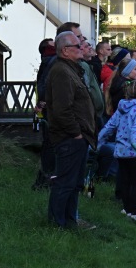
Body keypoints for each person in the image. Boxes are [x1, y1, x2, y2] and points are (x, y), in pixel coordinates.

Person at [46, 31, 96, 229]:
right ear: (65, 50)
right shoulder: (61, 71)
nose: (82, 47)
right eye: (78, 45)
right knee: (65, 182)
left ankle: (70, 221)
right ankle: (57, 223)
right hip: (69, 138)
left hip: (78, 137)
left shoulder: (72, 70)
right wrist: (76, 133)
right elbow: (62, 108)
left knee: (75, 182)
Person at [97, 81, 136, 224]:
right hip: (133, 151)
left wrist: (99, 141)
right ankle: (134, 212)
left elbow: (110, 126)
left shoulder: (121, 108)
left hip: (120, 150)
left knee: (125, 180)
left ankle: (126, 208)